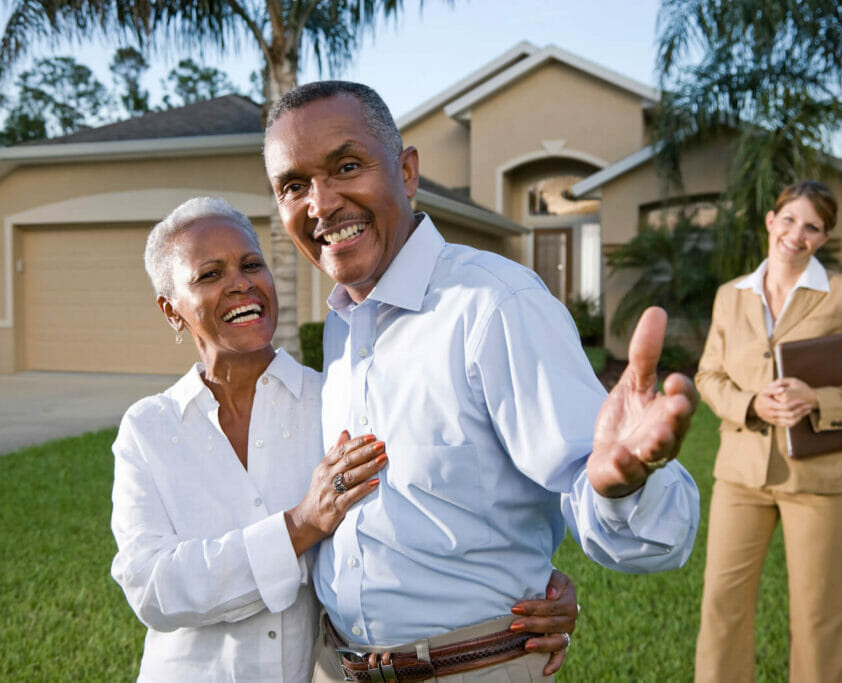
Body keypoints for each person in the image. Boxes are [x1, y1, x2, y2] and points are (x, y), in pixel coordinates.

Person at [262, 80, 702, 682]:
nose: (321, 202)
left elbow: (647, 529)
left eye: (346, 166)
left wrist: (621, 486)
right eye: (294, 185)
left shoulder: (495, 306)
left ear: (408, 172)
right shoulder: (342, 327)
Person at [109, 197, 580, 682]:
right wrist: (300, 526)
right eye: (210, 274)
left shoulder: (332, 401)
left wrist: (535, 586)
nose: (241, 282)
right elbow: (151, 587)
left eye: (252, 264)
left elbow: (413, 517)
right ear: (171, 310)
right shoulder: (148, 430)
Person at [692, 181, 842, 682]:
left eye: (812, 227)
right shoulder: (731, 296)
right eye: (789, 220)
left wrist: (820, 400)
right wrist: (750, 403)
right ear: (771, 221)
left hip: (818, 484)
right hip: (740, 478)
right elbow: (709, 376)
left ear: (824, 238)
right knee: (722, 607)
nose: (797, 234)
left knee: (818, 618)